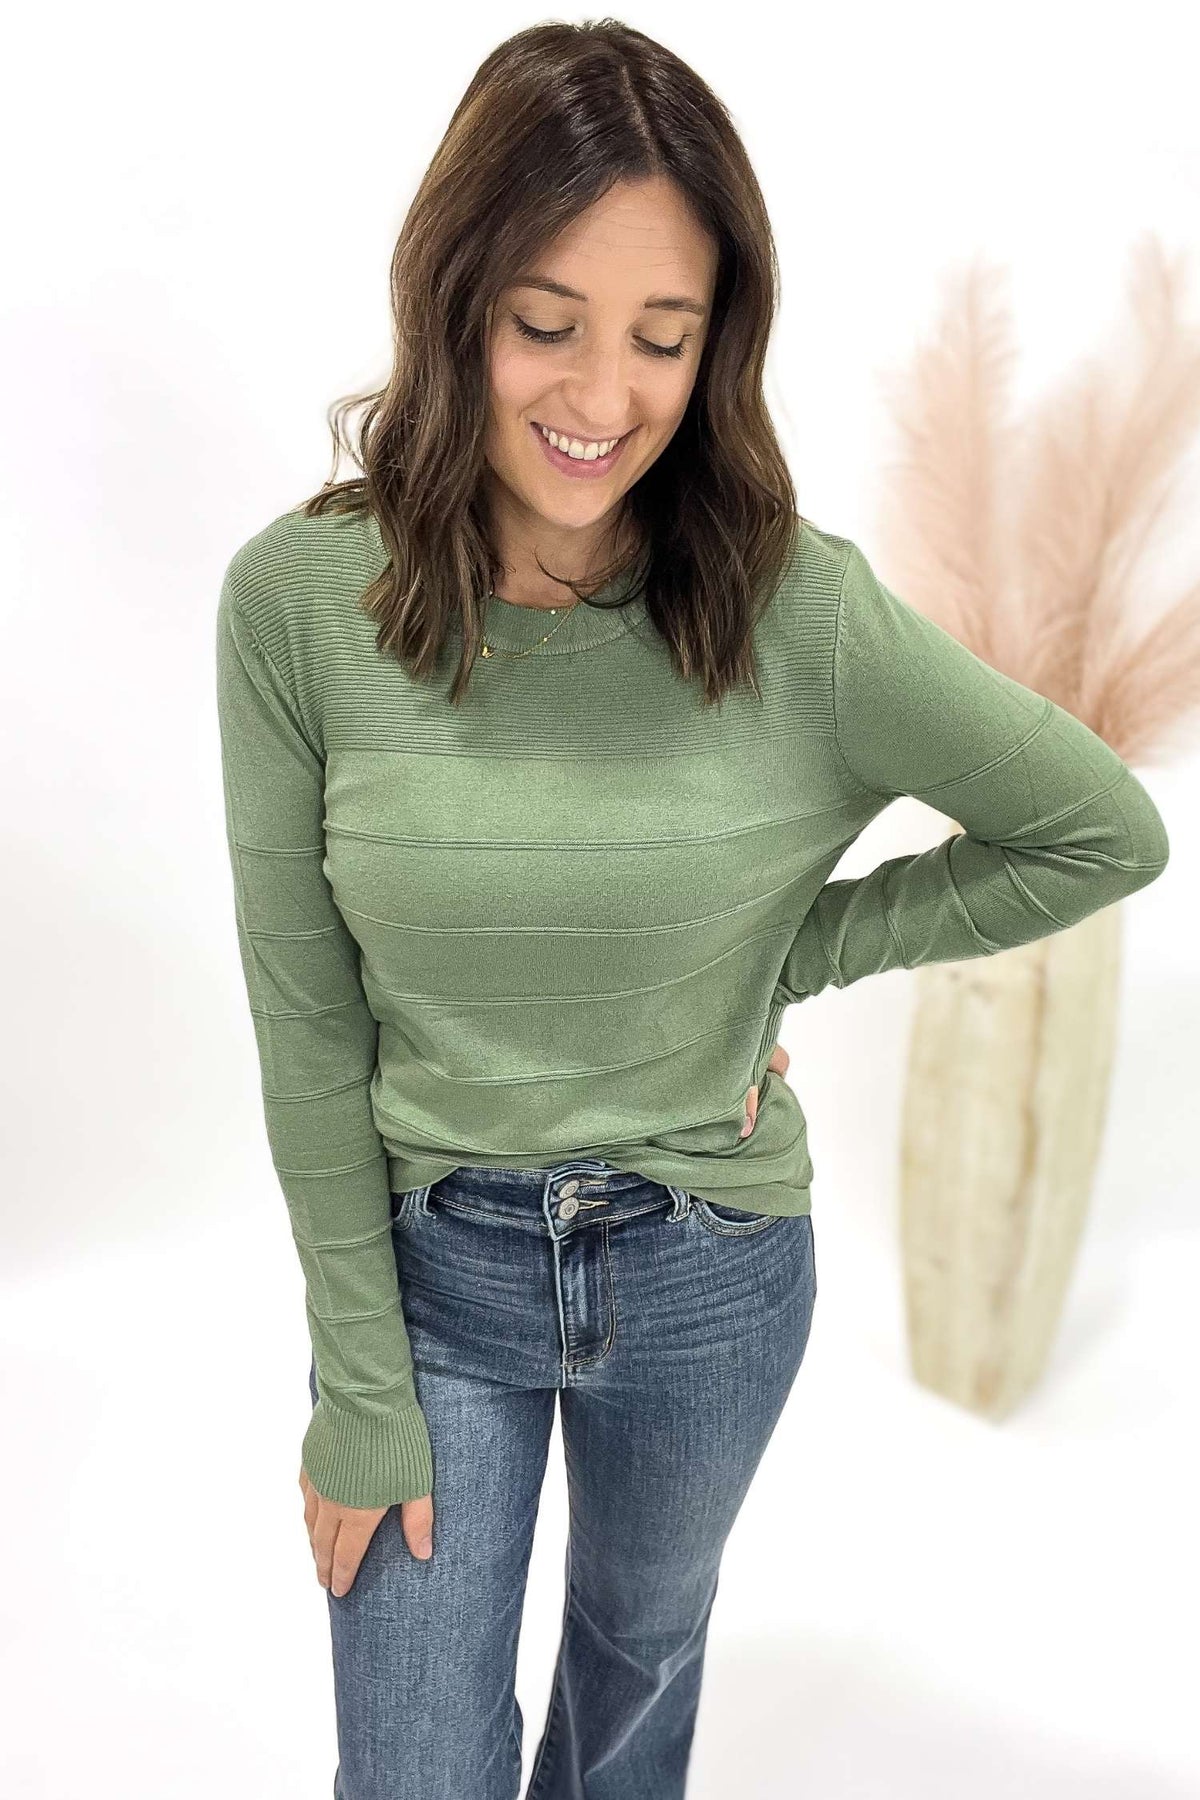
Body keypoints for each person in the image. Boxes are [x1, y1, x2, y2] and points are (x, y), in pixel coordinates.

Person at [214, 21, 1170, 1800]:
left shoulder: (797, 612)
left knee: (638, 1673)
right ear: (453, 299)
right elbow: (303, 1016)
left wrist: (799, 948)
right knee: (414, 1768)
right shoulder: (296, 608)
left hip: (710, 1266)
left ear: (718, 340)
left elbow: (1097, 828)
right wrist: (353, 1375)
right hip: (433, 1277)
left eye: (664, 337)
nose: (602, 394)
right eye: (544, 321)